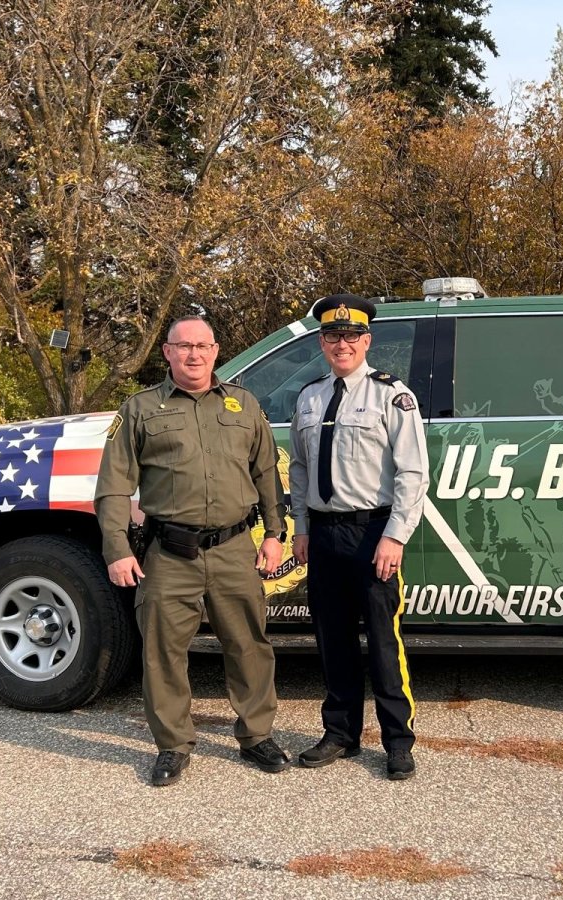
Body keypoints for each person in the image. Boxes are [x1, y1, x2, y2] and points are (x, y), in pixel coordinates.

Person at [94, 315, 290, 787]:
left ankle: (256, 735)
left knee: (248, 646)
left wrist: (274, 533)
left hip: (233, 549)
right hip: (168, 553)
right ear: (167, 352)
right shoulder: (140, 409)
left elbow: (267, 474)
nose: (194, 355)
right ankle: (172, 744)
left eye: (203, 346)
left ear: (217, 350)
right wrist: (118, 549)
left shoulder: (243, 405)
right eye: (184, 346)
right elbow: (113, 487)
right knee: (163, 652)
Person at [289, 294, 428, 781]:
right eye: (332, 336)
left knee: (384, 643)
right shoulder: (308, 397)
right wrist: (301, 529)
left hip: (373, 534)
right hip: (324, 535)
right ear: (322, 342)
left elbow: (413, 472)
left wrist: (394, 537)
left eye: (351, 336)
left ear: (366, 341)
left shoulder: (393, 396)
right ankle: (341, 733)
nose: (341, 344)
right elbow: (301, 470)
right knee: (333, 640)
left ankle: (397, 740)